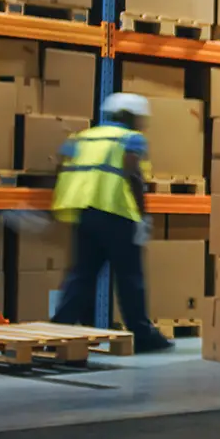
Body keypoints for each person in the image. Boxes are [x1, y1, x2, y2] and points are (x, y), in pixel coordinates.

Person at [49, 92, 173, 353]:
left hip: (85, 212)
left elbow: (60, 165)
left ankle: (58, 330)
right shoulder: (131, 139)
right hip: (117, 214)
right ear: (131, 117)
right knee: (129, 276)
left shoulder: (83, 137)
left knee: (81, 274)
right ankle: (142, 335)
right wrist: (142, 216)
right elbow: (133, 174)